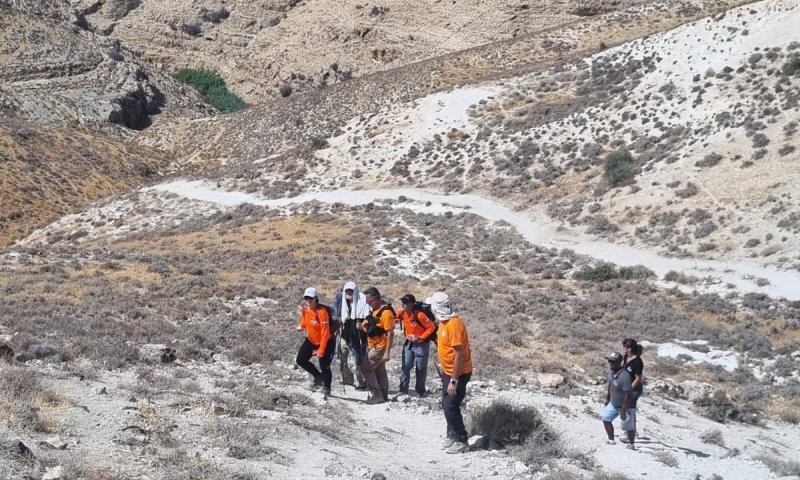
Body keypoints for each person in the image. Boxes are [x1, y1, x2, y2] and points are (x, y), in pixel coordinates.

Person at [427, 291, 473, 454]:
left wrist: (453, 380)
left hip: (459, 373)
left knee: (450, 405)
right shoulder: (443, 323)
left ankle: (461, 439)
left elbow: (459, 354)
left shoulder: (454, 325)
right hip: (449, 371)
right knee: (447, 404)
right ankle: (451, 435)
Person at [295, 287, 336, 396]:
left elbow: (325, 333)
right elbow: (305, 320)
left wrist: (321, 349)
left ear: (316, 298)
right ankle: (318, 376)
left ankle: (327, 387)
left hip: (326, 342)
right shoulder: (305, 309)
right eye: (306, 298)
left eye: (311, 298)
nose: (308, 301)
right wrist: (301, 326)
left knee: (324, 365)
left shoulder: (322, 313)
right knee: (300, 360)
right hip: (311, 340)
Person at [360, 286, 395, 404]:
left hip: (380, 346)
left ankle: (376, 394)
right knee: (380, 369)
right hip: (374, 345)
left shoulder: (386, 313)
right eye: (367, 302)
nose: (369, 304)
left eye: (370, 301)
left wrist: (387, 353)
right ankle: (383, 394)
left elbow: (390, 334)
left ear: (376, 298)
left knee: (365, 367)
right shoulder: (375, 311)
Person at [396, 293, 436, 397]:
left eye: (405, 303)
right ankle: (403, 390)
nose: (403, 304)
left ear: (411, 304)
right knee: (406, 365)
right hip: (408, 343)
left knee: (421, 368)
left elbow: (431, 327)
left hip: (421, 345)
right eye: (402, 302)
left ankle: (420, 391)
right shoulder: (402, 312)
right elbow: (394, 318)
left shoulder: (420, 315)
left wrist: (421, 338)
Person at [334, 281, 370, 390]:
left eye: (351, 291)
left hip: (358, 334)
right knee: (342, 354)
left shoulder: (362, 301)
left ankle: (361, 381)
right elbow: (337, 314)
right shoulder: (342, 301)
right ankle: (347, 379)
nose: (349, 293)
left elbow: (368, 316)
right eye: (347, 291)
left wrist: (363, 324)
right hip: (346, 333)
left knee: (357, 358)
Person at [602, 351, 636, 450]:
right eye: (609, 361)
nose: (610, 363)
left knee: (628, 427)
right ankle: (611, 440)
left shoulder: (625, 376)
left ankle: (631, 444)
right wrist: (608, 398)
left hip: (626, 406)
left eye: (613, 362)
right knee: (606, 418)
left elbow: (627, 394)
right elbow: (610, 385)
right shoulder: (611, 372)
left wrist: (623, 410)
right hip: (613, 403)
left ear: (619, 362)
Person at [622, 338, 644, 440]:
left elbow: (638, 379)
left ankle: (630, 434)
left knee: (628, 410)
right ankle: (633, 432)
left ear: (630, 348)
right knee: (630, 410)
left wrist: (629, 389)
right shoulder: (626, 357)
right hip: (626, 387)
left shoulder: (638, 362)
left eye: (625, 347)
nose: (623, 348)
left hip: (634, 389)